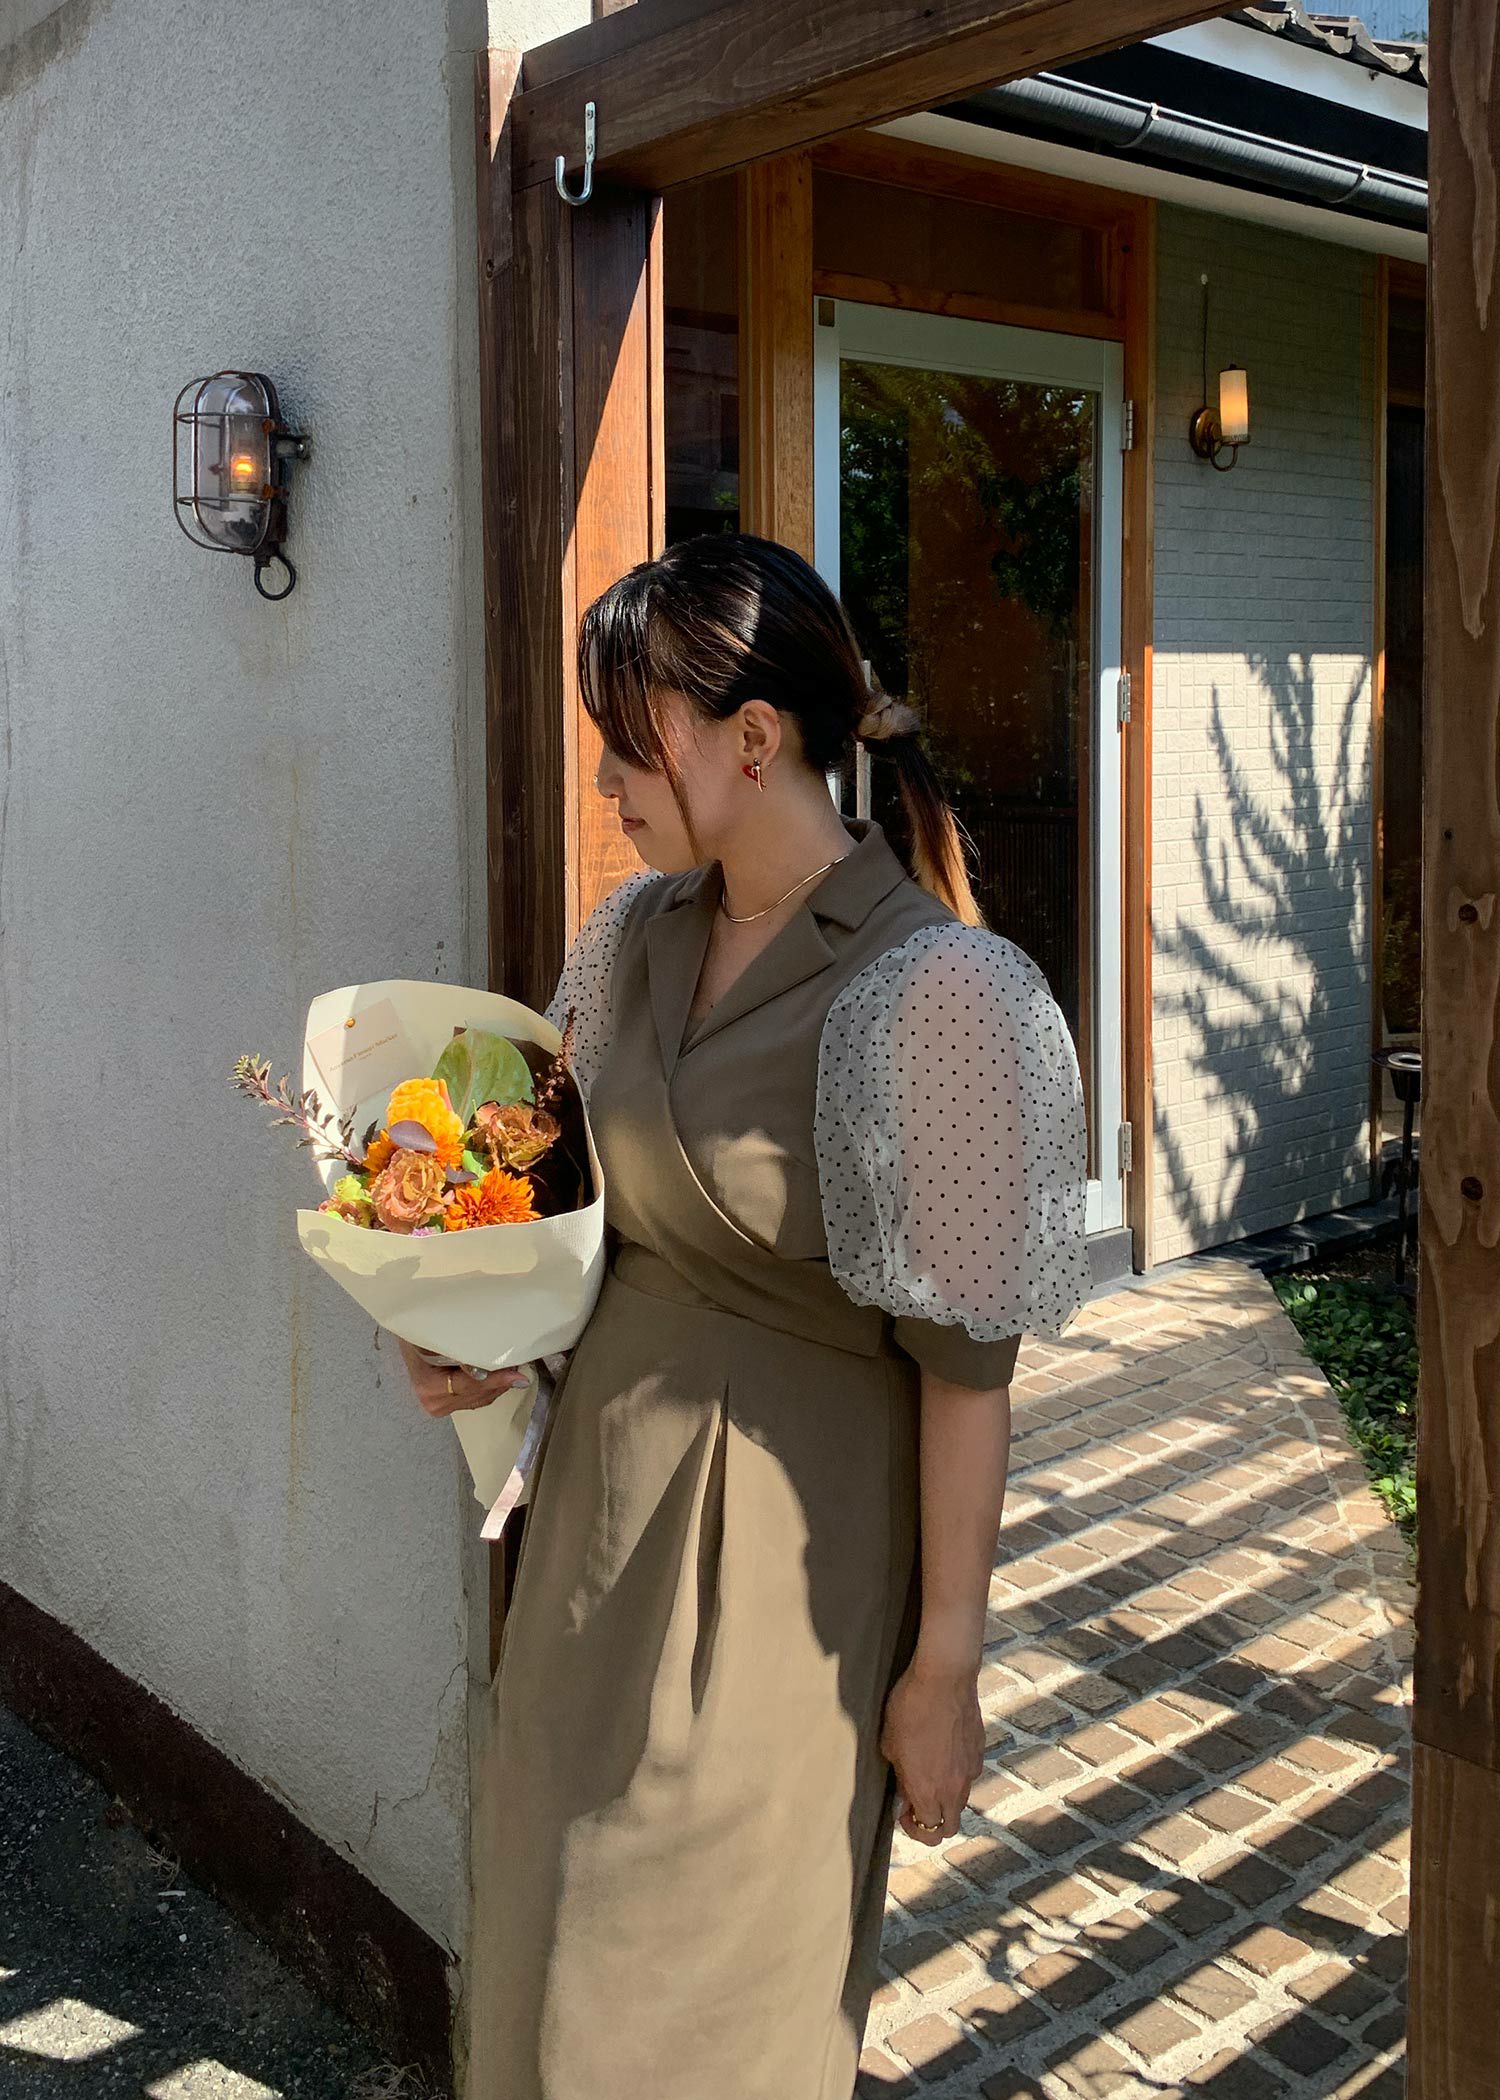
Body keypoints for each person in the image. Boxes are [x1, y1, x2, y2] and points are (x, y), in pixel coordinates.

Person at [400, 533, 1089, 2100]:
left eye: (629, 743)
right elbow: (544, 1201)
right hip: (592, 1538)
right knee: (543, 1955)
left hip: (785, 1581)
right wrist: (468, 1327)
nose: (603, 785)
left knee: (700, 2006)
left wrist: (946, 1667)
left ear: (754, 739)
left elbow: (968, 1375)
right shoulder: (633, 937)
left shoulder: (943, 995)